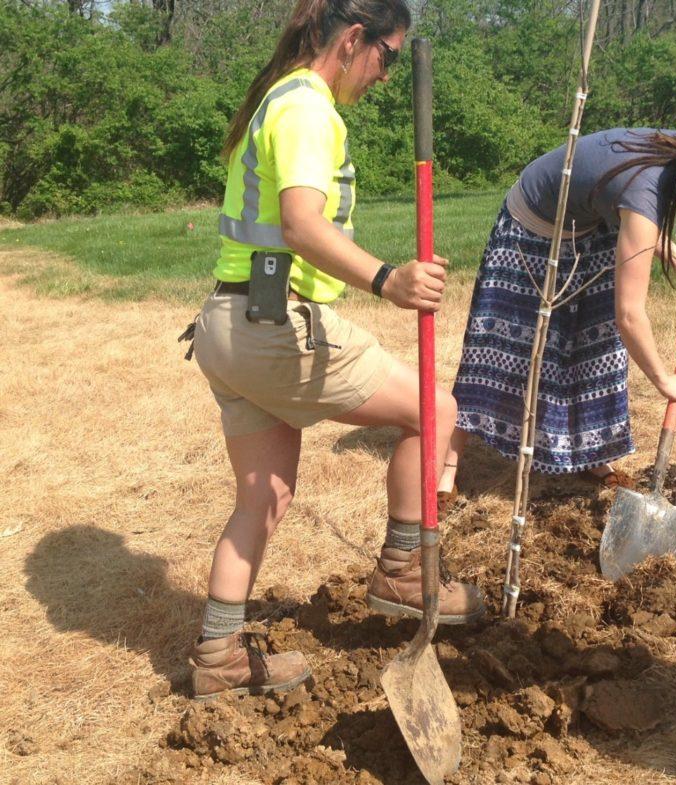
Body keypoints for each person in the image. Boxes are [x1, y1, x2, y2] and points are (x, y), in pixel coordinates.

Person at [186, 0, 484, 702]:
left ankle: (217, 652)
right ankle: (406, 572)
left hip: (228, 326)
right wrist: (389, 279)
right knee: (433, 411)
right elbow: (299, 222)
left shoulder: (276, 99)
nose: (385, 74)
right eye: (386, 54)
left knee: (265, 494)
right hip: (275, 326)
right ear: (354, 40)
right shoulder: (307, 108)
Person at [438, 128, 676, 501]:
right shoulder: (647, 184)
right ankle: (448, 468)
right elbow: (630, 315)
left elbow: (633, 216)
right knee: (500, 350)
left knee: (597, 344)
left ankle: (592, 456)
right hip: (533, 227)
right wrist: (665, 381)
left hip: (592, 222)